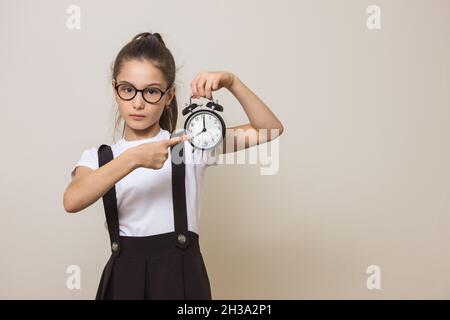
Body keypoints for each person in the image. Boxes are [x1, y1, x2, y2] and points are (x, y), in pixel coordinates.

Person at [63, 31, 284, 300]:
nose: (138, 102)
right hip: (123, 281)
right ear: (115, 90)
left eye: (152, 91)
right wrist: (133, 158)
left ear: (169, 96)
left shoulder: (189, 144)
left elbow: (269, 129)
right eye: (128, 89)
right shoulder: (98, 157)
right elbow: (72, 200)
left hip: (181, 279)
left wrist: (232, 82)